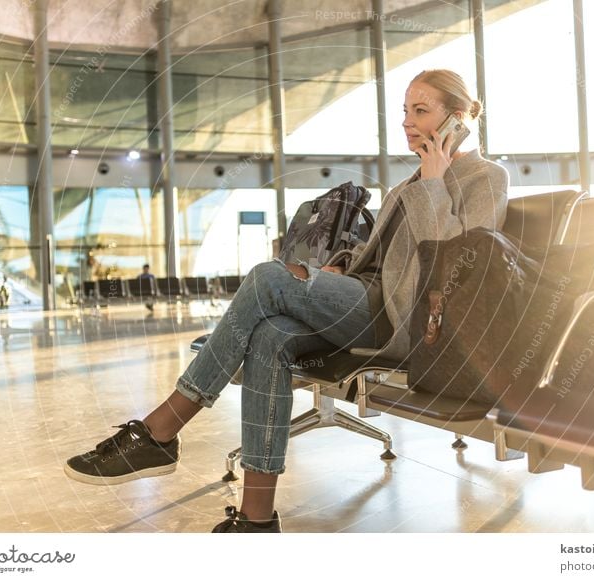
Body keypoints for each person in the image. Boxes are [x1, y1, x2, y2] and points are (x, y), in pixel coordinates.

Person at [64, 69, 509, 533]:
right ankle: (256, 519)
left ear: (456, 119)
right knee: (269, 335)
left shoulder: (486, 177)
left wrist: (435, 184)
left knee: (266, 279)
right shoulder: (411, 181)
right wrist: (340, 263)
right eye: (404, 111)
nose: (407, 122)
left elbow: (461, 266)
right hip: (364, 301)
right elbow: (379, 254)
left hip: (405, 323)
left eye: (421, 111)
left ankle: (161, 430)